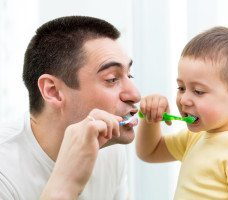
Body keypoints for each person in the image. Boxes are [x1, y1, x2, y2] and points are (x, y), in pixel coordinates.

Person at [0, 16, 141, 199]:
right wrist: (65, 186)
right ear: (53, 91)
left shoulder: (109, 150)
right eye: (112, 79)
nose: (135, 94)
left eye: (130, 76)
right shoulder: (4, 174)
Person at [136, 27, 228, 199]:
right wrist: (150, 119)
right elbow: (150, 152)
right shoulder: (194, 137)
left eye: (198, 91)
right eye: (181, 88)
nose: (184, 99)